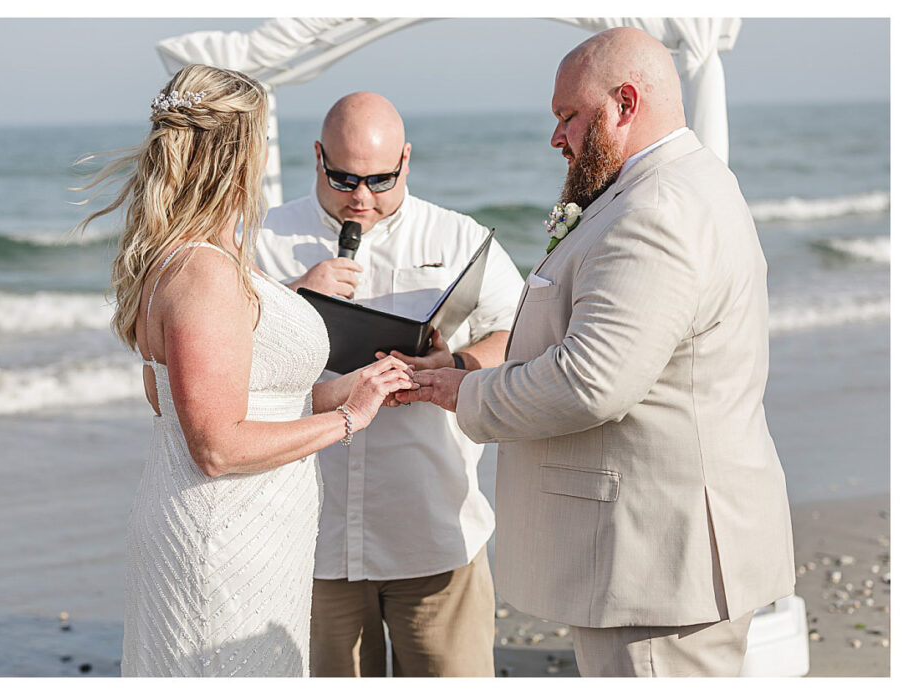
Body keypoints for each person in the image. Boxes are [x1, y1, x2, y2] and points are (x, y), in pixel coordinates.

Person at [397, 27, 796, 677]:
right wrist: (470, 362)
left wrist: (462, 393)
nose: (557, 138)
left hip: (660, 565)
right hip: (662, 554)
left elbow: (592, 380)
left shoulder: (657, 209)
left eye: (568, 117)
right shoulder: (683, 182)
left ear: (626, 104)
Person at [73, 65, 415, 677]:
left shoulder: (199, 256)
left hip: (255, 529)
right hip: (223, 537)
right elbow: (217, 447)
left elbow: (196, 396)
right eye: (261, 140)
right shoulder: (201, 271)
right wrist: (348, 418)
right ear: (240, 153)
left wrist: (365, 386)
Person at [256, 92, 524, 677]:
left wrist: (453, 367)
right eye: (344, 177)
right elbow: (224, 361)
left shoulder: (457, 238)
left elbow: (520, 333)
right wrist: (293, 299)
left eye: (380, 179)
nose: (361, 197)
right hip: (310, 541)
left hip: (431, 530)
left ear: (407, 159)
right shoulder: (263, 239)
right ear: (318, 156)